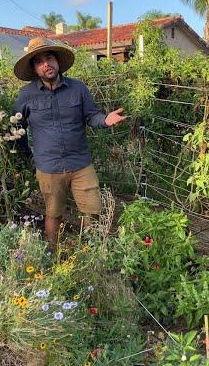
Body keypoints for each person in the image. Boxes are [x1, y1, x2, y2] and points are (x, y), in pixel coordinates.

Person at [12, 37, 126, 251]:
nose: (46, 64)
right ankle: (52, 255)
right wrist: (28, 156)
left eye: (49, 58)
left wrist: (105, 120)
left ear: (57, 61)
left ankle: (89, 254)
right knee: (53, 213)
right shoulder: (26, 95)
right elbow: (17, 127)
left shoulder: (78, 88)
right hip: (48, 167)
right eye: (39, 61)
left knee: (92, 211)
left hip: (80, 163)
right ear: (34, 69)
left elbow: (92, 116)